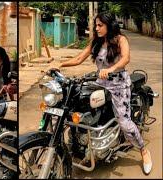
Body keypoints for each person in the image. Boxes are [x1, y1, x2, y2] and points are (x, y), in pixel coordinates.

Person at [55, 12, 152, 175]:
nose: (97, 28)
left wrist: (111, 69)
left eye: (100, 25)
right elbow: (79, 58)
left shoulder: (121, 39)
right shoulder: (96, 42)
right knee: (77, 104)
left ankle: (143, 150)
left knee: (124, 122)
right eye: (96, 25)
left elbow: (126, 58)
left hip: (118, 85)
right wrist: (59, 65)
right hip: (100, 83)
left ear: (109, 25)